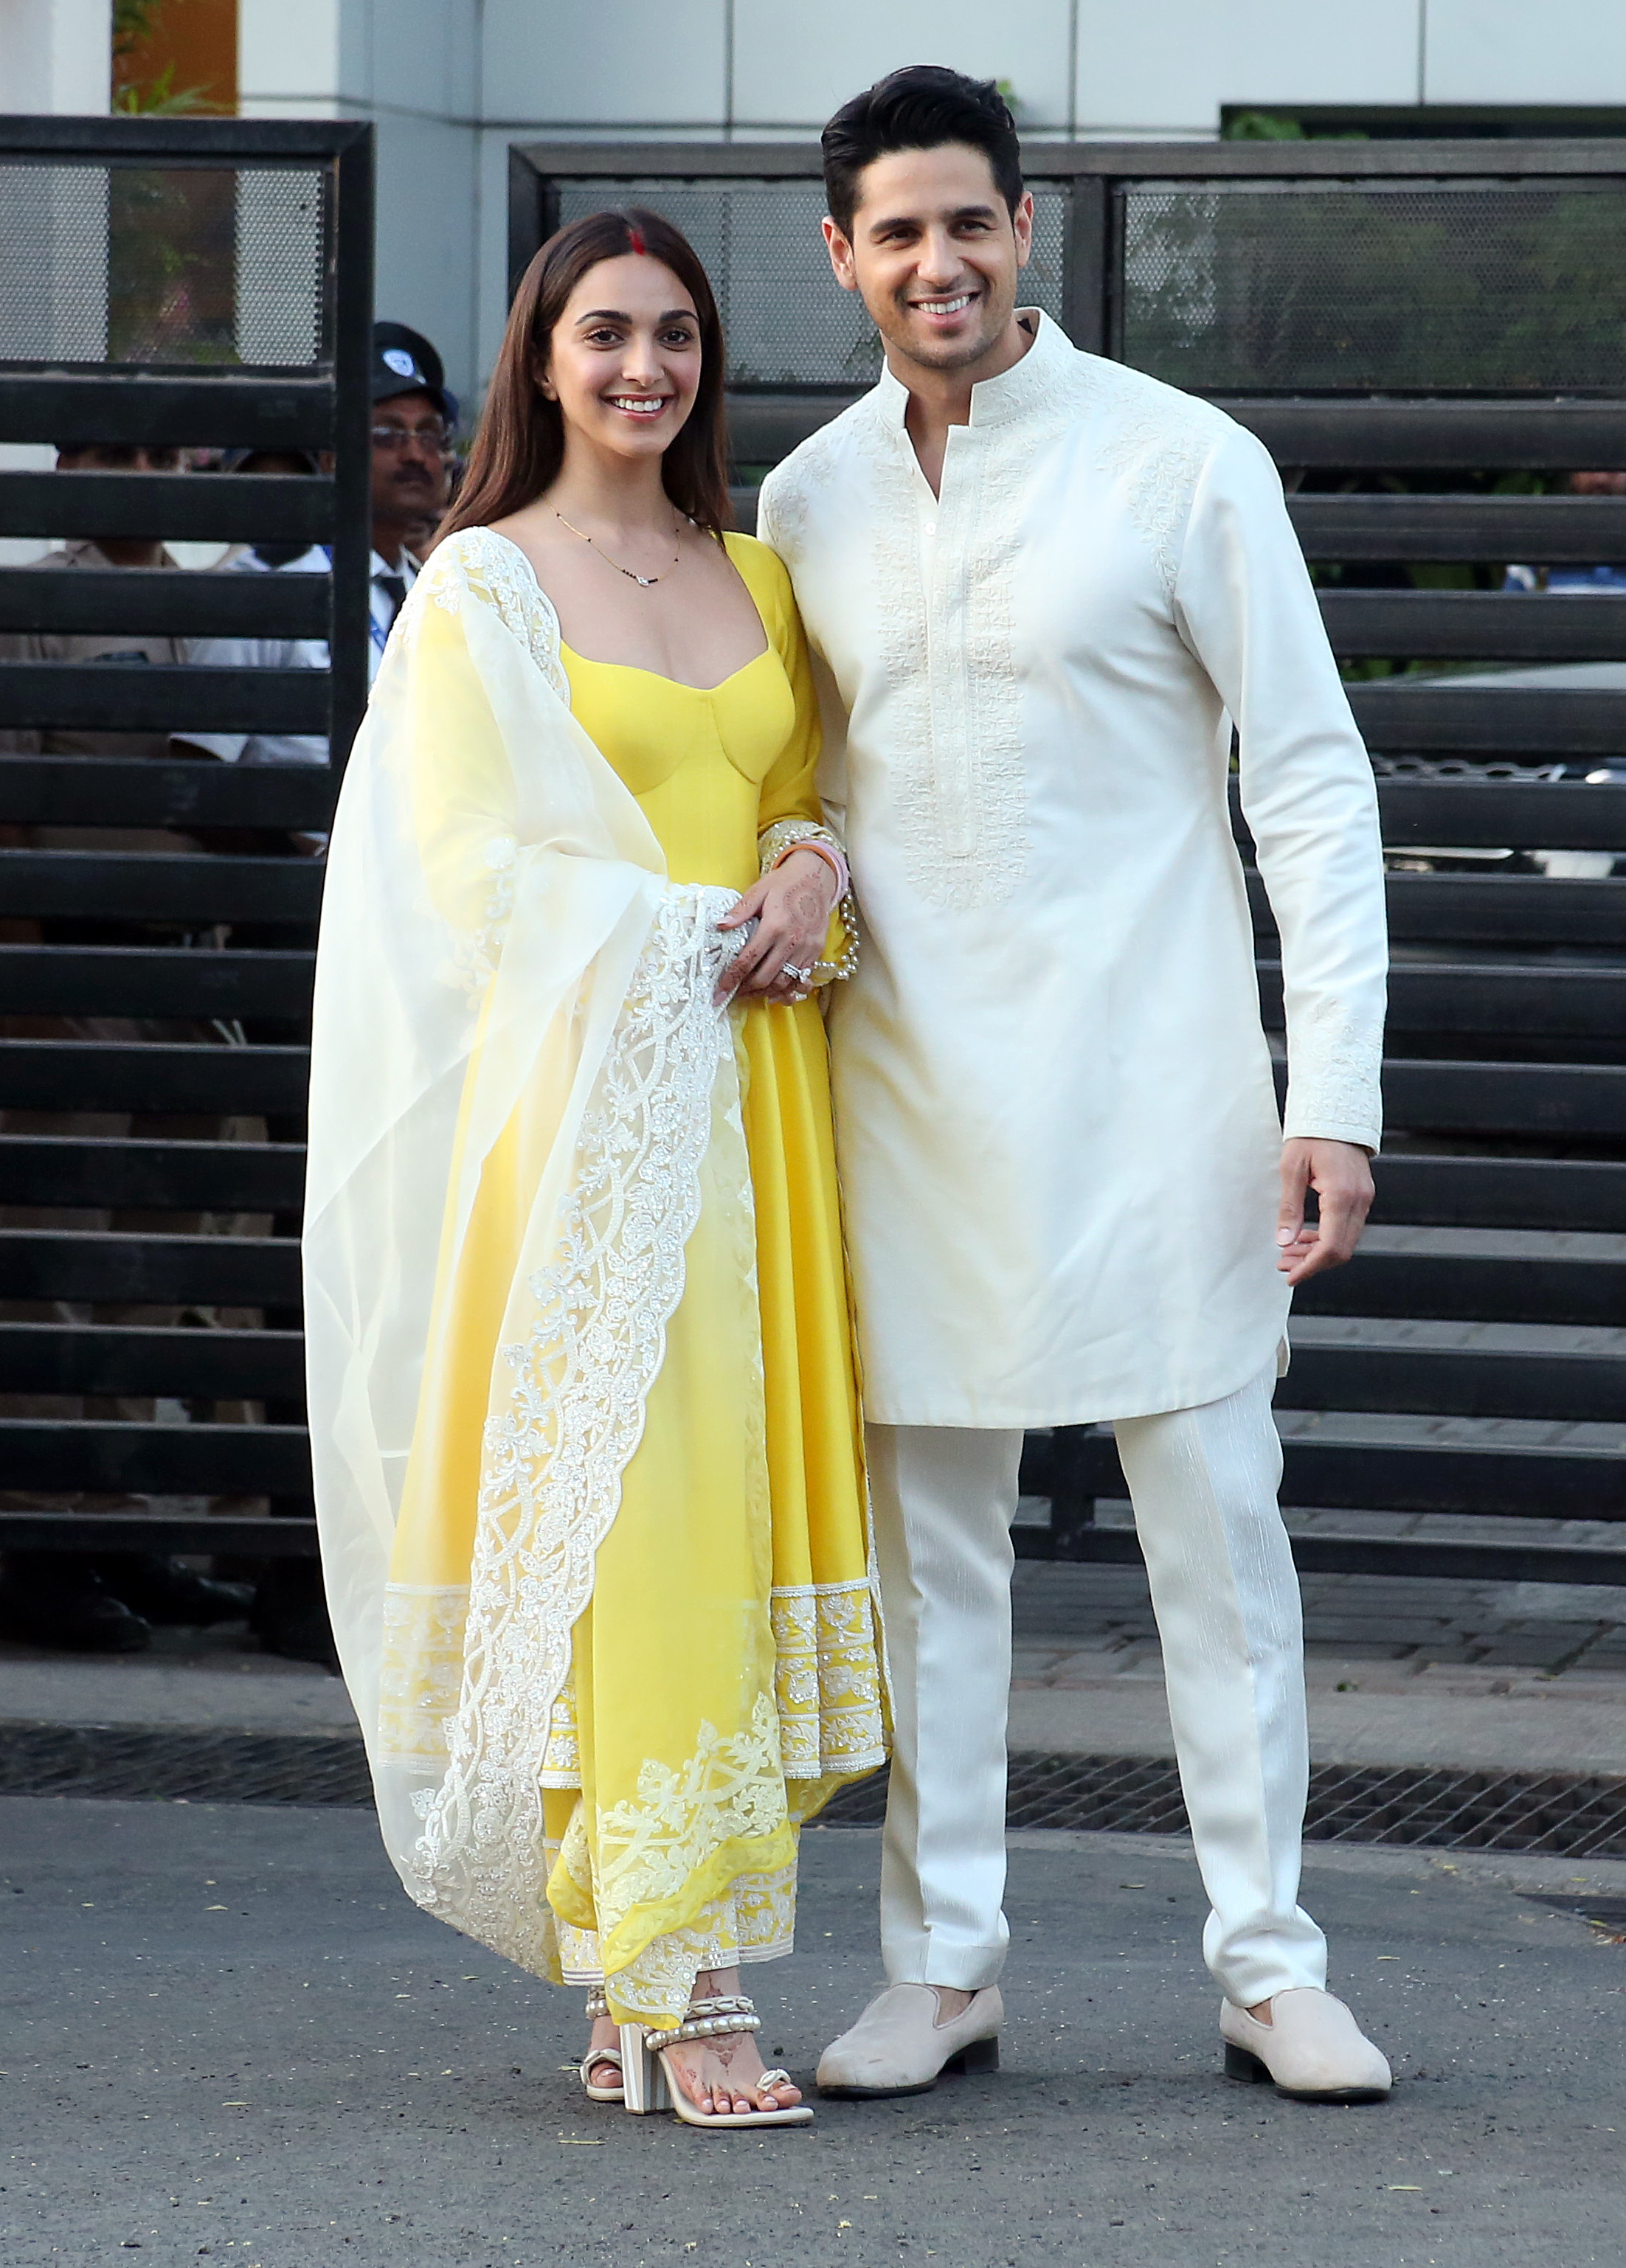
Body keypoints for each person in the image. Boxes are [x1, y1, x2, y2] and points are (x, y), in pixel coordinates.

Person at [758, 67, 1394, 2106]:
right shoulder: (805, 499)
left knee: (1216, 1535)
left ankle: (1268, 1958)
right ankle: (938, 1967)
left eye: (969, 222)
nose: (936, 262)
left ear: (1022, 230)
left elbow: (1304, 781)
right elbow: (803, 795)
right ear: (841, 255)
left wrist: (1335, 1092)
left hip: (1163, 1089)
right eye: (895, 231)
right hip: (907, 1097)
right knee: (925, 1562)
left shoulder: (1181, 461)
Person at [303, 207, 884, 2131]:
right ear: (542, 357)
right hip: (593, 1123)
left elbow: (800, 795)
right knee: (635, 1516)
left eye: (676, 336)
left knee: (729, 1518)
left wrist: (811, 870)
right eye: (607, 334)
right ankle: (679, 1970)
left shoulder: (756, 572)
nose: (644, 367)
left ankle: (637, 1950)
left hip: (765, 1105)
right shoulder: (484, 587)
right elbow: (462, 871)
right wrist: (683, 933)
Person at [0, 440, 253, 1652]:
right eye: (121, 454)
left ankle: (117, 1519)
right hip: (77, 970)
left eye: (166, 455)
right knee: (62, 1262)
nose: (148, 475)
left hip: (181, 972)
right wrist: (29, 976)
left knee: (158, 1265)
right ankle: (41, 1534)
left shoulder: (215, 595)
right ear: (73, 464)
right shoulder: (44, 597)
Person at [175, 322, 457, 769]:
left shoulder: (435, 592)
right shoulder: (266, 590)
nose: (415, 455)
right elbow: (196, 768)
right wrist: (301, 844)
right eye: (387, 433)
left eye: (430, 435)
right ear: (330, 460)